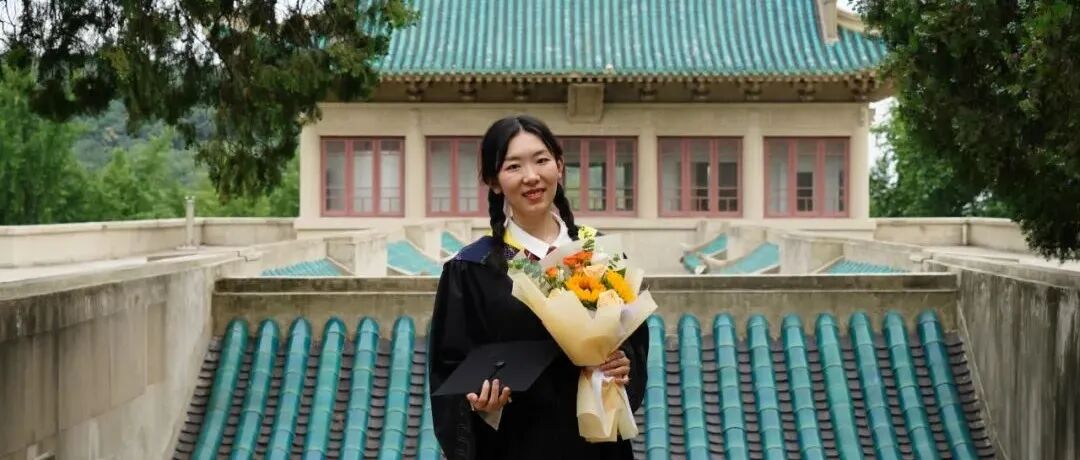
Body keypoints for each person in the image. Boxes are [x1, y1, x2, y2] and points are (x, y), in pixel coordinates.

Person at [428, 115, 650, 460]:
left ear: (559, 166)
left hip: (598, 446)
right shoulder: (473, 269)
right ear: (494, 181)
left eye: (541, 160)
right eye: (513, 166)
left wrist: (624, 365)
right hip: (516, 445)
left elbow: (634, 344)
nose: (531, 176)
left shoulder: (599, 252)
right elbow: (449, 369)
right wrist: (481, 405)